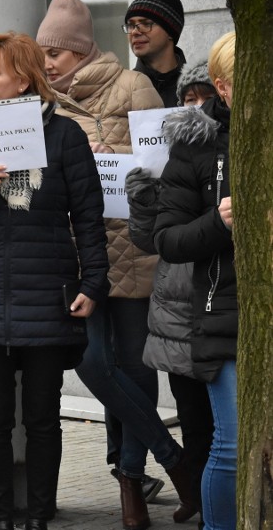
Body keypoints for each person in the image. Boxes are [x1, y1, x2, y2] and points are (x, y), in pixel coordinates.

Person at [0, 31, 108, 530]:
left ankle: (39, 515)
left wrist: (92, 284)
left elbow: (90, 218)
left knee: (43, 418)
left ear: (24, 78)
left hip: (47, 298)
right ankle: (1, 516)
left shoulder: (65, 136)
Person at [36, 0, 198, 530]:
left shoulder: (134, 88)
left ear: (79, 51)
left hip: (131, 251)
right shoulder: (46, 105)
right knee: (90, 362)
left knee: (134, 367)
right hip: (78, 254)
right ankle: (172, 460)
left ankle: (130, 481)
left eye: (54, 54)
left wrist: (121, 166)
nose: (46, 64)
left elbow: (168, 168)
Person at [125, 60, 218, 527]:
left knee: (223, 424)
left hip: (217, 303)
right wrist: (142, 193)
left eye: (203, 94)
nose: (194, 104)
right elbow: (148, 240)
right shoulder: (171, 155)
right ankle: (203, 500)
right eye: (187, 96)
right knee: (196, 421)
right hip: (177, 313)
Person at [154, 31, 237, 530]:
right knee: (228, 443)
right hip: (221, 313)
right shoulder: (196, 145)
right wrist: (219, 222)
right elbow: (167, 239)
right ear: (223, 88)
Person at [124, 0, 186, 107]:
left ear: (170, 31)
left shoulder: (197, 86)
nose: (135, 32)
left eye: (146, 23)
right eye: (131, 25)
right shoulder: (121, 90)